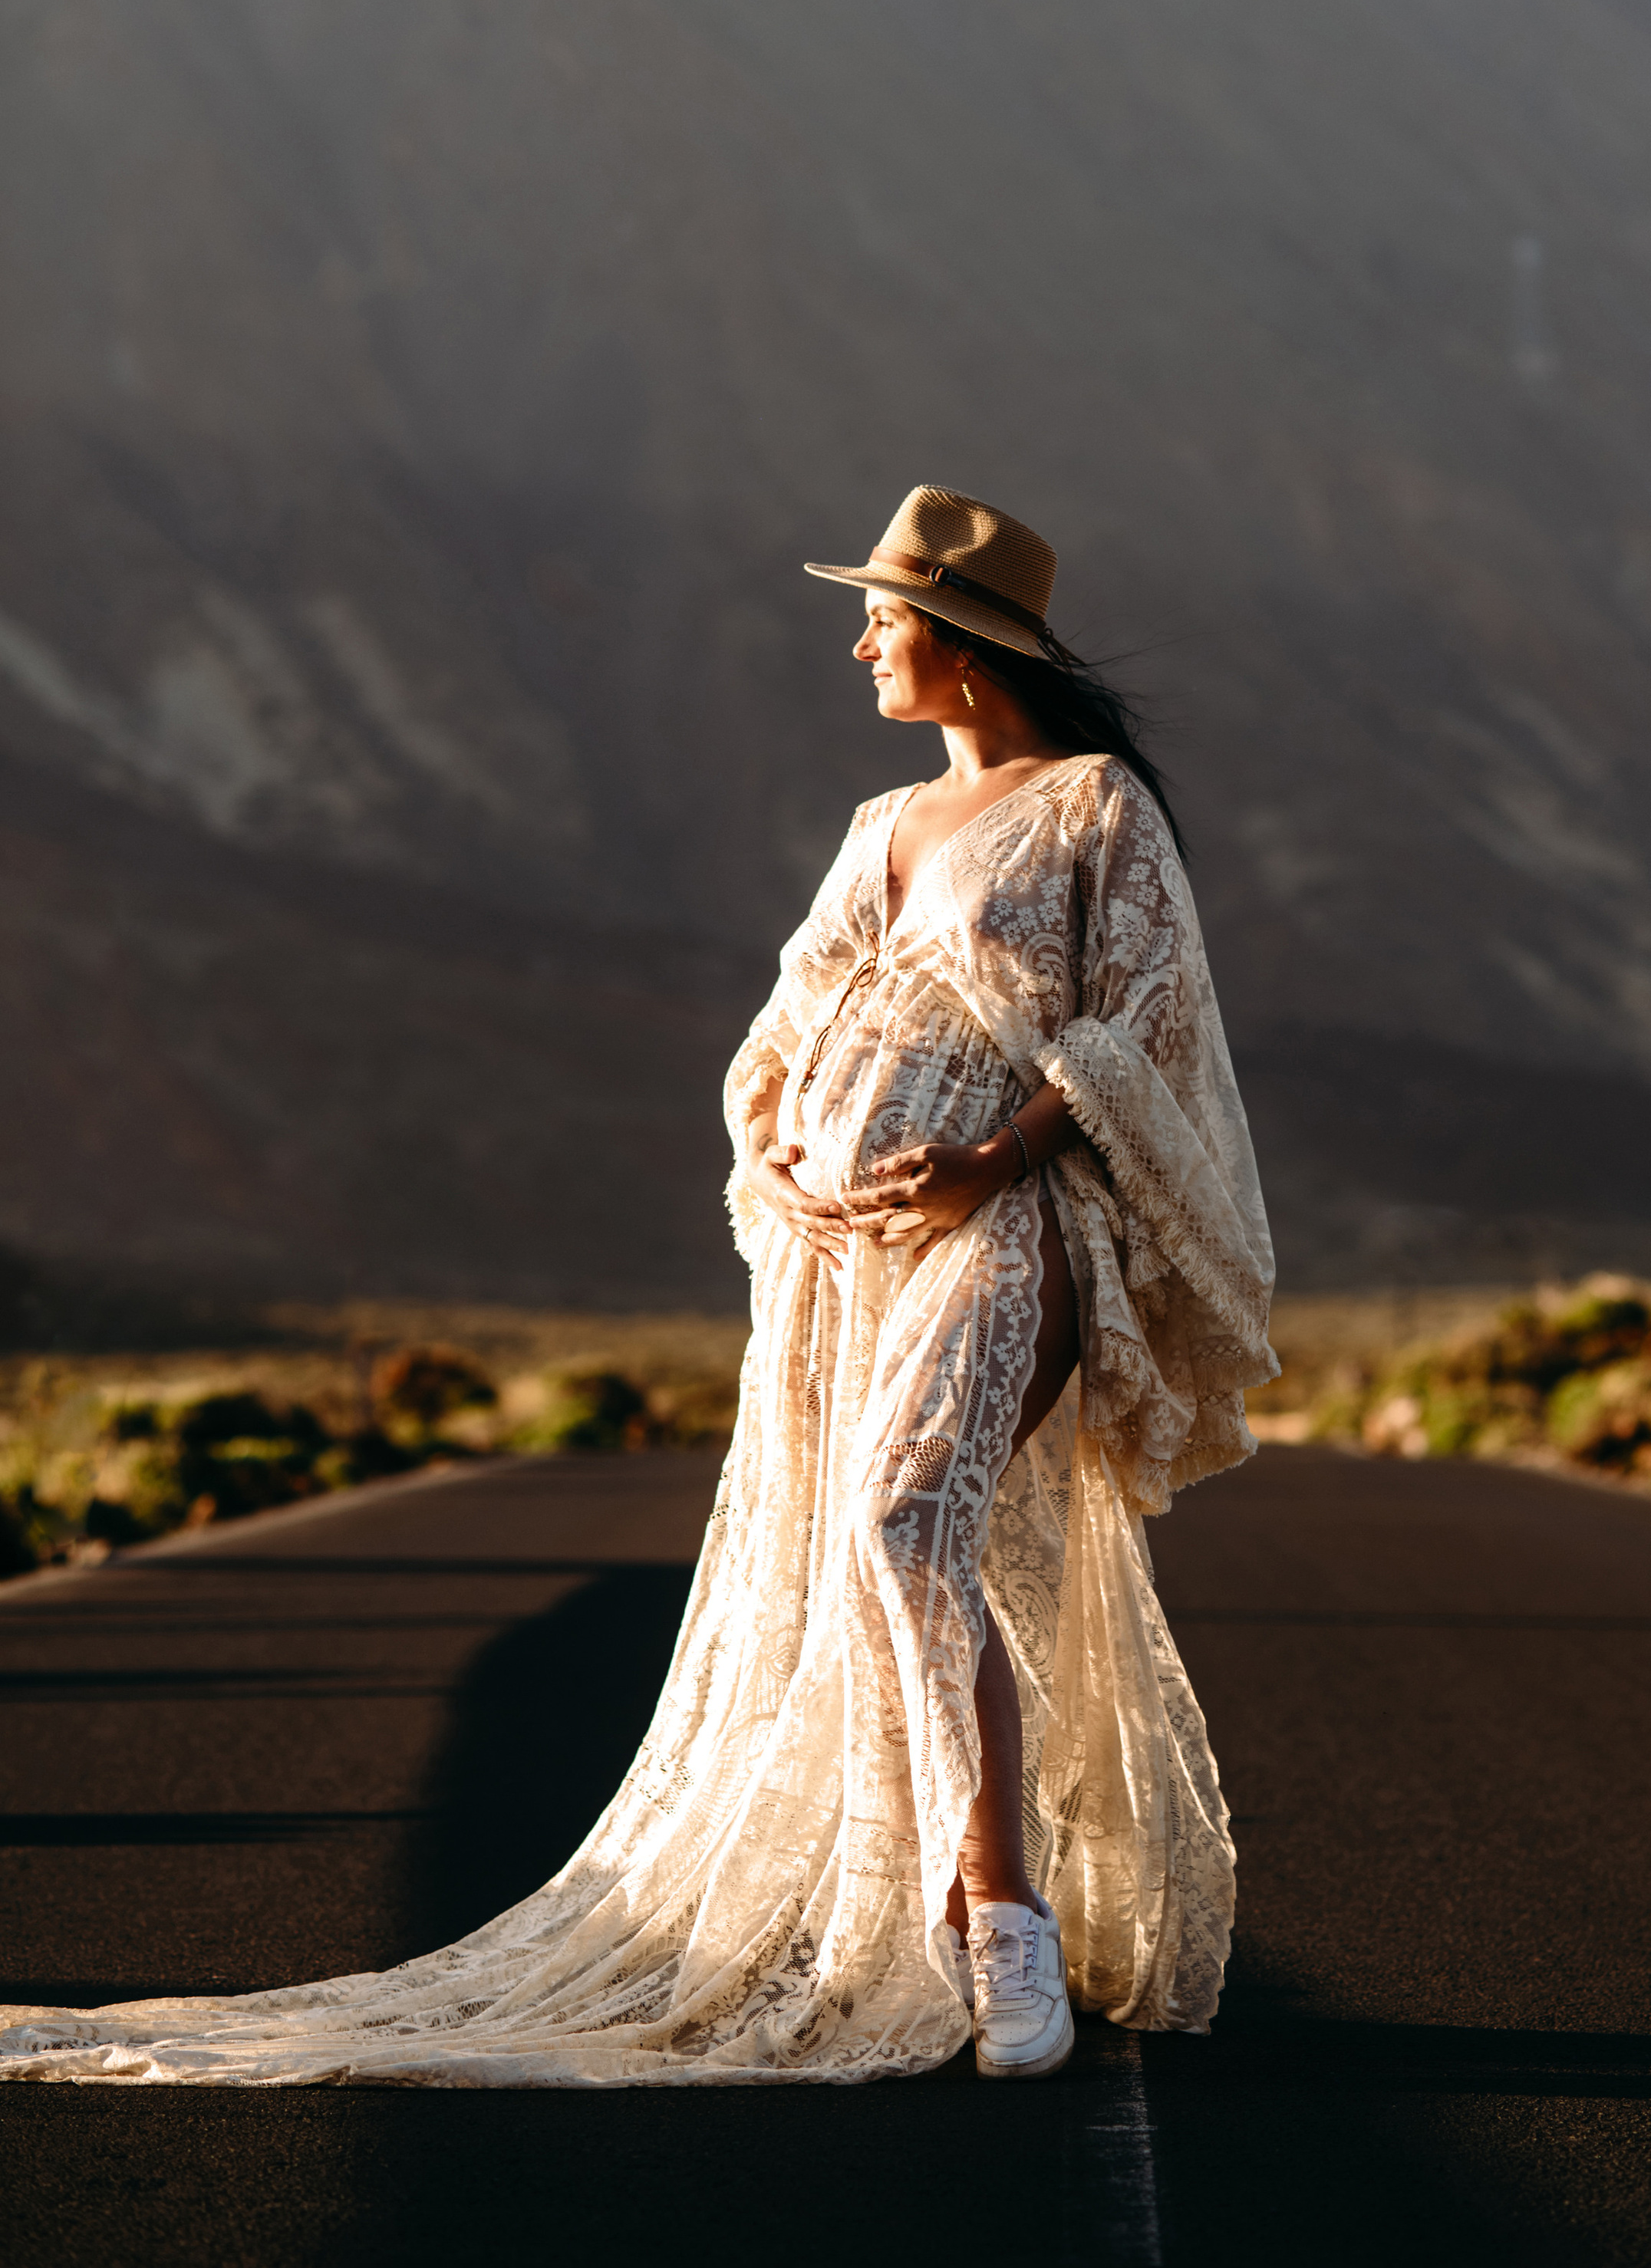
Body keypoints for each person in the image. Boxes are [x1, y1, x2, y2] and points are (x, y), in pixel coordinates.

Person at [0, 486, 1276, 2089]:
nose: (860, 642)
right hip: (840, 1251)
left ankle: (1000, 1913)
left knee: (908, 1521)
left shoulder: (1093, 807)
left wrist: (990, 1157)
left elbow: (1142, 1026)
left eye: (883, 616)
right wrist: (782, 1154)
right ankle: (951, 1902)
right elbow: (785, 1025)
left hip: (1008, 1220)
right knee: (894, 1550)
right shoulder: (878, 824)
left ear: (963, 643)